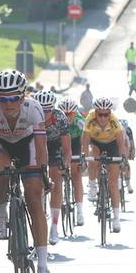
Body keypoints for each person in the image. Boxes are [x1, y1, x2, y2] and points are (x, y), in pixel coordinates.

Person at [0, 70, 51, 273]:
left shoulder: (34, 109)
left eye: (13, 98)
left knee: (34, 198)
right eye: (2, 98)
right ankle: (1, 214)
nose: (8, 103)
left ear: (23, 97)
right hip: (1, 145)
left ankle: (43, 265)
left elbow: (41, 146)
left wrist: (43, 172)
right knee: (1, 171)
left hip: (27, 146)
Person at [82, 97, 128, 233]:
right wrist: (83, 157)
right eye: (100, 114)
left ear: (110, 113)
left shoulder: (114, 121)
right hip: (96, 143)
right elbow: (85, 141)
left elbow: (121, 142)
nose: (103, 118)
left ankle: (116, 218)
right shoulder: (90, 119)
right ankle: (91, 185)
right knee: (92, 156)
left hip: (112, 144)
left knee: (113, 184)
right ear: (95, 113)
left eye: (106, 114)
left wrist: (123, 158)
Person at [32, 90, 71, 246]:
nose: (45, 113)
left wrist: (66, 163)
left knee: (56, 179)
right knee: (33, 179)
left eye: (48, 110)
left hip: (55, 145)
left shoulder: (60, 117)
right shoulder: (30, 115)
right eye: (42, 110)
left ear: (53, 109)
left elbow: (67, 147)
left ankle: (54, 227)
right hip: (35, 143)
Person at [57, 97, 86, 226]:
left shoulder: (80, 121)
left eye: (70, 114)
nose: (67, 116)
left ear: (75, 113)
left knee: (76, 174)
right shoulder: (56, 120)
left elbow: (84, 141)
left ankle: (80, 211)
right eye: (65, 114)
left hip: (75, 143)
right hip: (60, 142)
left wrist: (82, 157)